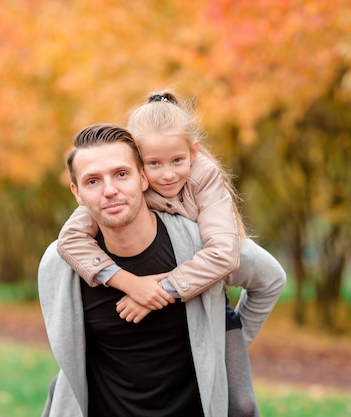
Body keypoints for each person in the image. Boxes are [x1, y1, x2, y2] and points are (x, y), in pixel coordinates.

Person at [57, 90, 285, 415]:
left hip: (206, 297)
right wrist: (131, 283)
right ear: (138, 164)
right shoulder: (112, 195)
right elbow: (70, 238)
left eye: (177, 161)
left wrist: (165, 291)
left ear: (192, 153)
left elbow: (229, 255)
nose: (166, 175)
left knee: (243, 406)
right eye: (153, 164)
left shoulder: (204, 180)